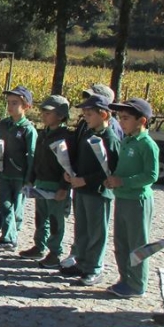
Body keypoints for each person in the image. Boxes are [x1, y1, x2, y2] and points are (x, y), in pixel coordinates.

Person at [62, 94, 121, 286]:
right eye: (84, 113)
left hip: (97, 192)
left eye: (89, 113)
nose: (85, 117)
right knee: (82, 229)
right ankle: (82, 262)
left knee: (96, 232)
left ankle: (94, 269)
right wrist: (71, 173)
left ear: (103, 115)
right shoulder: (88, 133)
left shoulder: (109, 138)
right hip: (81, 190)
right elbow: (81, 159)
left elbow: (109, 170)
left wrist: (85, 180)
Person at [103, 97, 160, 298]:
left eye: (126, 118)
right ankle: (124, 278)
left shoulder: (147, 144)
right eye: (120, 118)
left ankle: (137, 284)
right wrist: (112, 180)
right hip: (123, 198)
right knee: (121, 242)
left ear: (141, 121)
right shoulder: (126, 140)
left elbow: (151, 175)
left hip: (138, 200)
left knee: (137, 244)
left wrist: (124, 182)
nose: (121, 122)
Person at [18, 95, 74, 267]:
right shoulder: (43, 134)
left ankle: (55, 252)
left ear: (60, 115)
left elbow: (68, 165)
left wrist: (64, 187)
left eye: (49, 112)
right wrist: (30, 180)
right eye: (43, 112)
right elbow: (36, 160)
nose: (44, 115)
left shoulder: (66, 136)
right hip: (41, 183)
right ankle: (39, 245)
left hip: (56, 185)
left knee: (56, 220)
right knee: (40, 217)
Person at [0, 85, 37, 250]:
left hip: (19, 176)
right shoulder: (2, 125)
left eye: (15, 103)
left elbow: (32, 155)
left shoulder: (28, 130)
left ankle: (12, 235)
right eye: (8, 102)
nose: (10, 106)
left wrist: (30, 178)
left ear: (26, 106)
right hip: (3, 173)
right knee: (5, 206)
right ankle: (7, 237)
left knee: (17, 208)